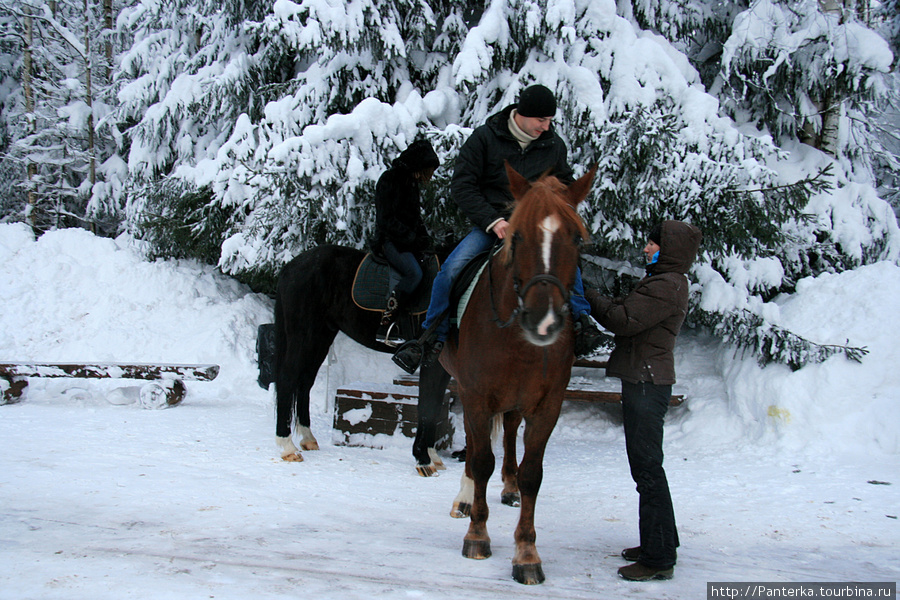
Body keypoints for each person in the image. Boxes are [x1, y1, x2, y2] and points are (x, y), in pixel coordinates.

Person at [392, 84, 603, 373]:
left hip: (536, 226)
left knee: (567, 266)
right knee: (450, 271)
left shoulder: (553, 145)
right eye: (541, 120)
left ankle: (583, 324)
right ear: (522, 115)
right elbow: (462, 185)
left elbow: (563, 184)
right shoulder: (485, 138)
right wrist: (493, 220)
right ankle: (430, 338)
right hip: (492, 225)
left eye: (550, 120)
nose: (546, 126)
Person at [585, 220, 701, 582]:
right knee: (647, 469)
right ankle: (662, 542)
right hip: (645, 380)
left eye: (653, 244)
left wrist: (585, 291)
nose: (647, 248)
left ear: (670, 250)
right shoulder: (665, 282)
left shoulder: (667, 285)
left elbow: (623, 318)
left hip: (647, 384)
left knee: (648, 470)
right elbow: (628, 309)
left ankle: (658, 558)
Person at [370, 138, 440, 343]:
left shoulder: (411, 183)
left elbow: (414, 219)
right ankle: (387, 322)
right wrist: (410, 238)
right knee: (414, 273)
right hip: (389, 241)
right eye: (427, 170)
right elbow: (385, 219)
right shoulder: (389, 180)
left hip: (406, 242)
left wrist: (425, 240)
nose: (427, 176)